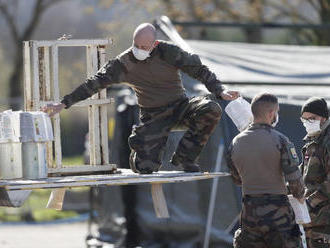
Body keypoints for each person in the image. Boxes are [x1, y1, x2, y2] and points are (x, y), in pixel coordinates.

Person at [42, 23, 239, 174]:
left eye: (144, 46)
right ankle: (139, 144)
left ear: (155, 44)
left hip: (180, 106)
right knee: (146, 169)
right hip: (154, 115)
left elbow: (199, 70)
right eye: (136, 45)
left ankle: (185, 158)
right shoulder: (124, 63)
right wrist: (64, 103)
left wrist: (219, 90)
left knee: (211, 109)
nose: (139, 50)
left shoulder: (169, 52)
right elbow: (94, 83)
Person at [226, 93, 305, 248]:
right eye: (277, 111)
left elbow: (236, 179)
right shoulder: (280, 140)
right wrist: (300, 195)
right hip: (279, 215)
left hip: (250, 214)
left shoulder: (235, 143)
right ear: (271, 113)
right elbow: (295, 180)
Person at [300, 97, 330, 248]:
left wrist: (310, 203)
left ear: (324, 118)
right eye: (304, 119)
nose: (308, 122)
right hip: (312, 219)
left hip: (325, 221)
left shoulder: (327, 141)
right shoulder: (312, 140)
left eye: (312, 118)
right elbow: (304, 174)